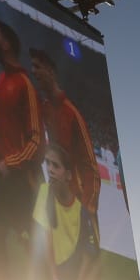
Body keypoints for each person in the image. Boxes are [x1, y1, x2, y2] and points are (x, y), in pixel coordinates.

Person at [0, 20, 43, 238]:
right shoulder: (2, 78)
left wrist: (10, 163)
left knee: (22, 238)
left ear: (6, 43)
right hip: (0, 172)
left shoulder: (24, 83)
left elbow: (36, 138)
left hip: (17, 177)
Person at [31, 47, 99, 212]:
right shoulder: (45, 108)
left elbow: (91, 168)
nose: (34, 72)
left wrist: (87, 208)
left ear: (52, 72)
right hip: (58, 197)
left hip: (78, 199)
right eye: (32, 67)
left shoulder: (72, 114)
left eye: (38, 67)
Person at [32, 139, 99, 280]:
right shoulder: (44, 192)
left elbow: (88, 254)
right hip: (53, 277)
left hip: (71, 278)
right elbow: (46, 242)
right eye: (47, 164)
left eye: (56, 166)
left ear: (68, 175)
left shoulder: (81, 211)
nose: (50, 170)